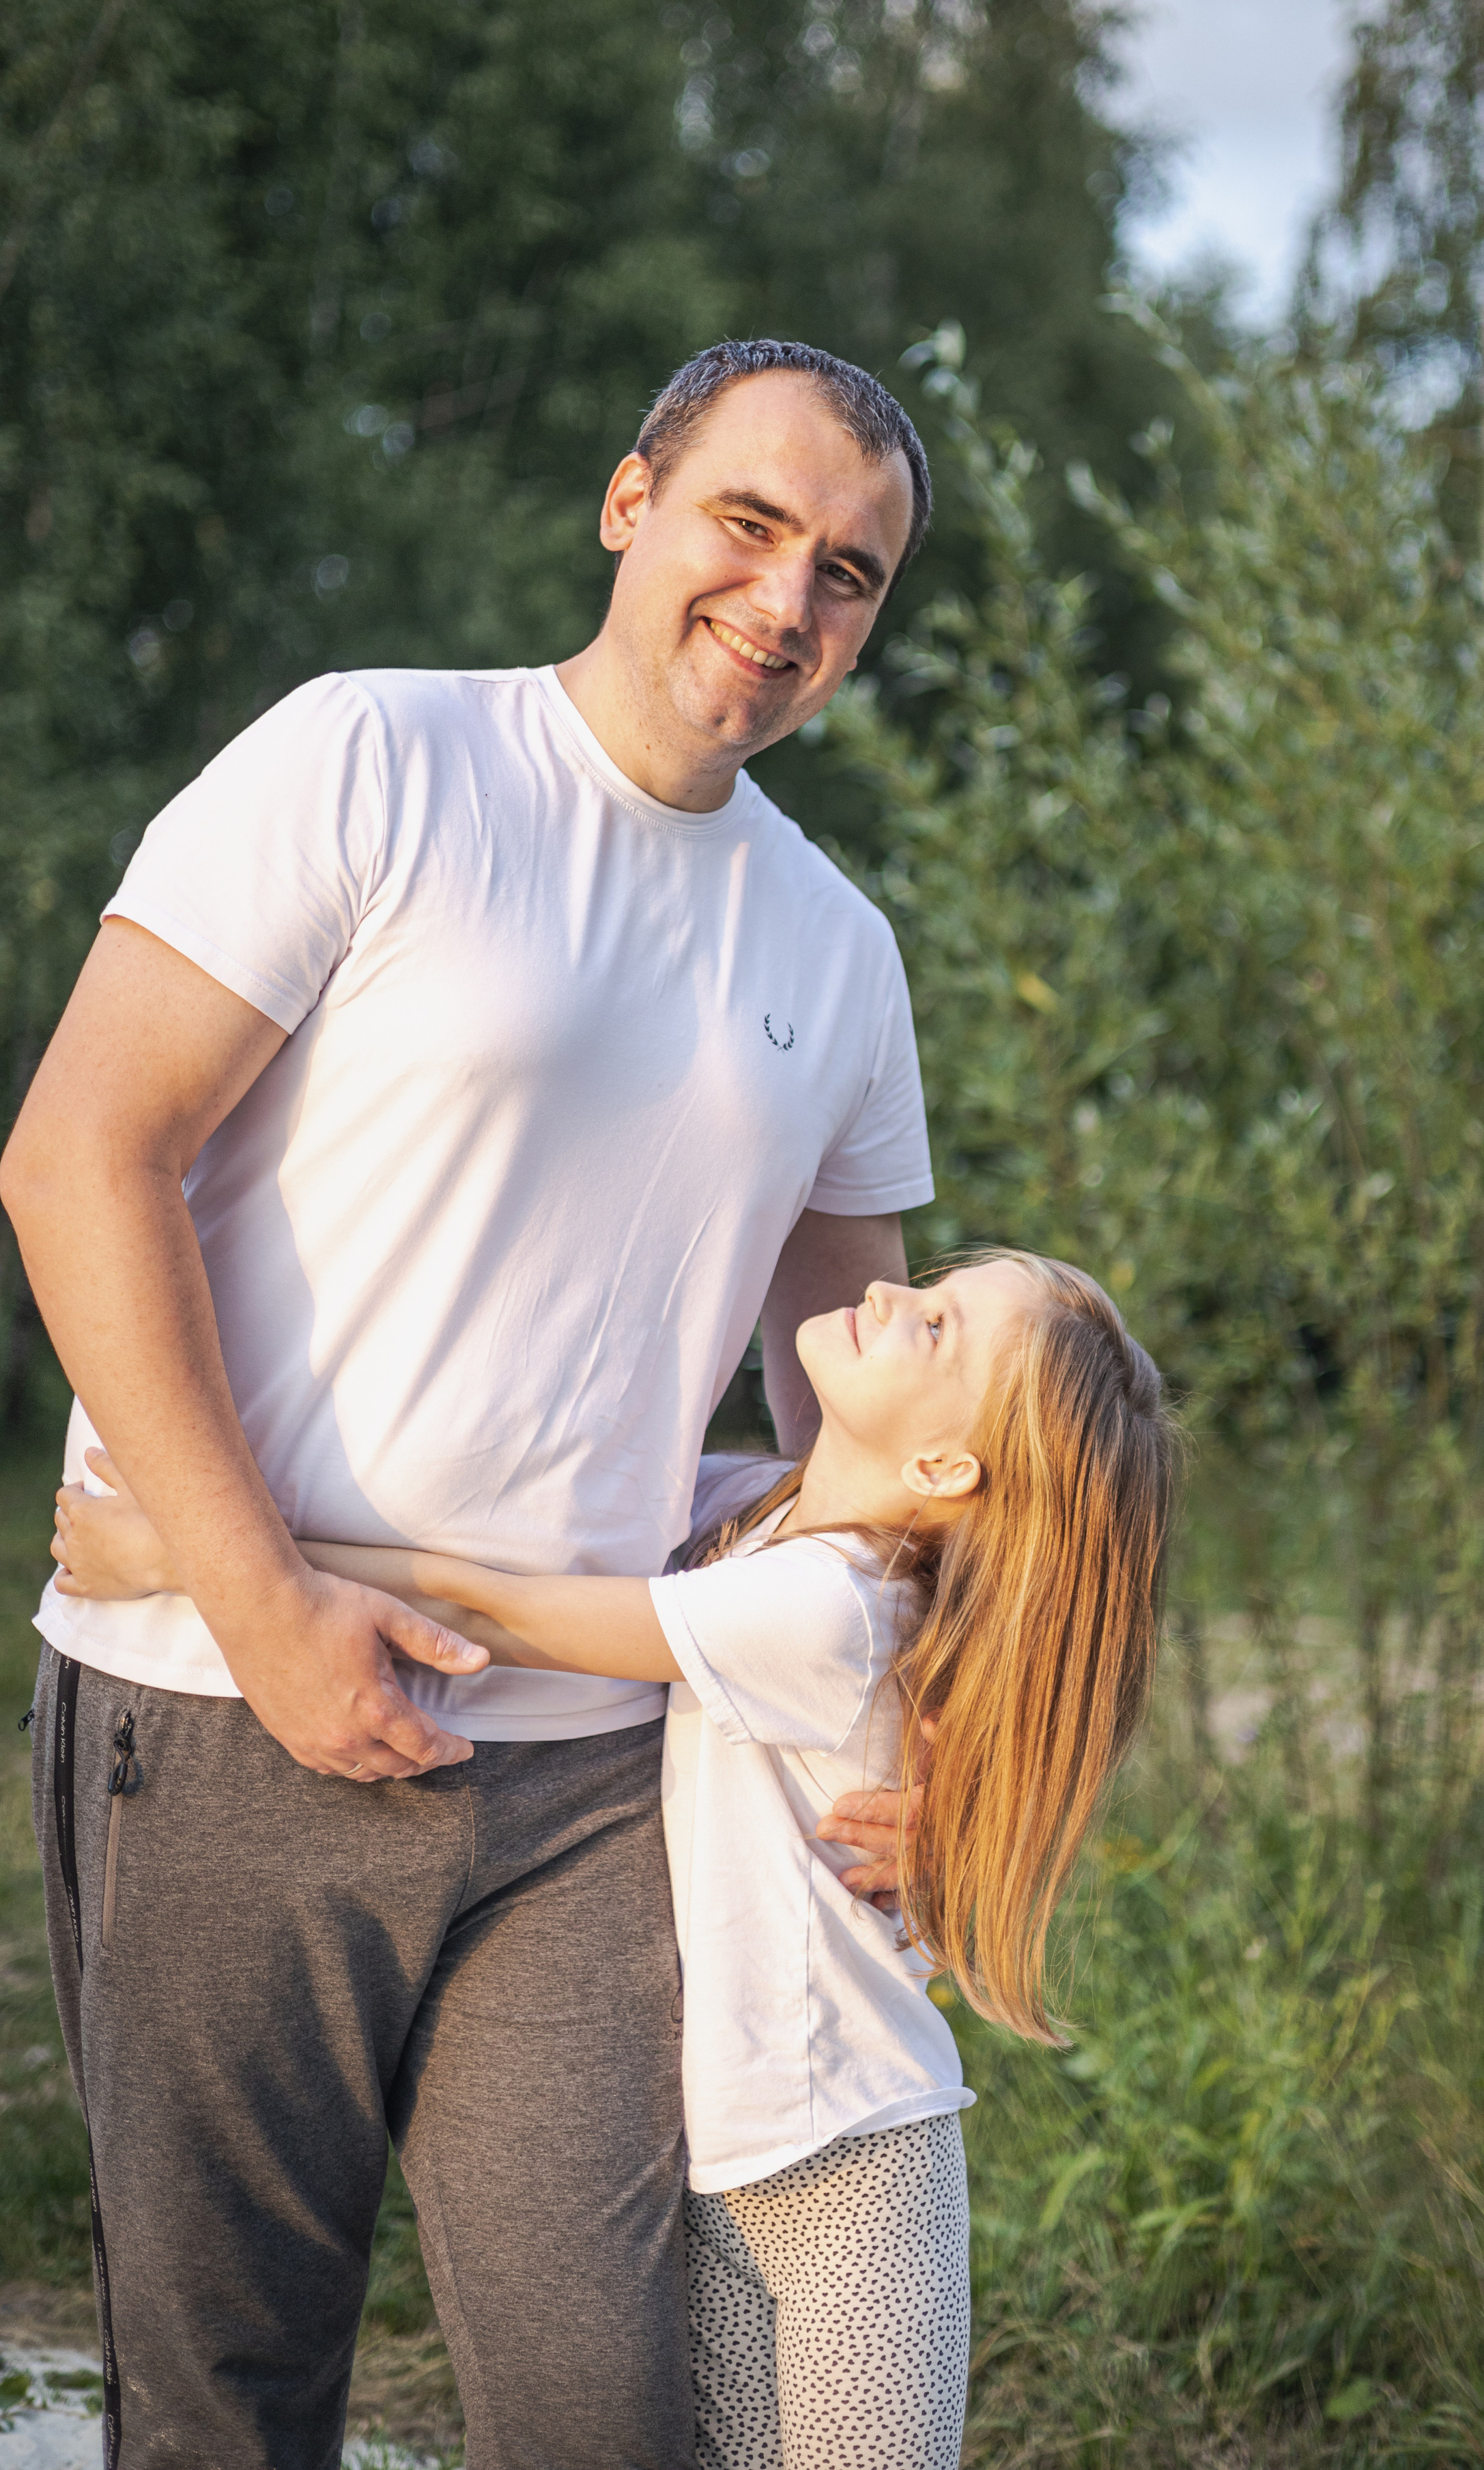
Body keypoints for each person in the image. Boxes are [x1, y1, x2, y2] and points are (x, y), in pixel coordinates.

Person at [1, 339, 941, 2470]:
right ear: (630, 504)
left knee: (610, 2416)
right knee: (230, 2408)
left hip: (597, 1791)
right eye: (752, 523)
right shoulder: (372, 761)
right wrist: (252, 1601)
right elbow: (79, 1154)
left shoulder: (839, 949)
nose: (793, 602)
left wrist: (926, 1748)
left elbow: (857, 1449)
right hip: (217, 1711)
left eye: (854, 575)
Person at [53, 1248, 1181, 2469]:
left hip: (852, 2172)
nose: (896, 1292)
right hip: (729, 2161)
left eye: (941, 1325)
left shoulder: (833, 1602)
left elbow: (505, 1613)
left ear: (946, 1467)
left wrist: (200, 1562)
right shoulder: (754, 1513)